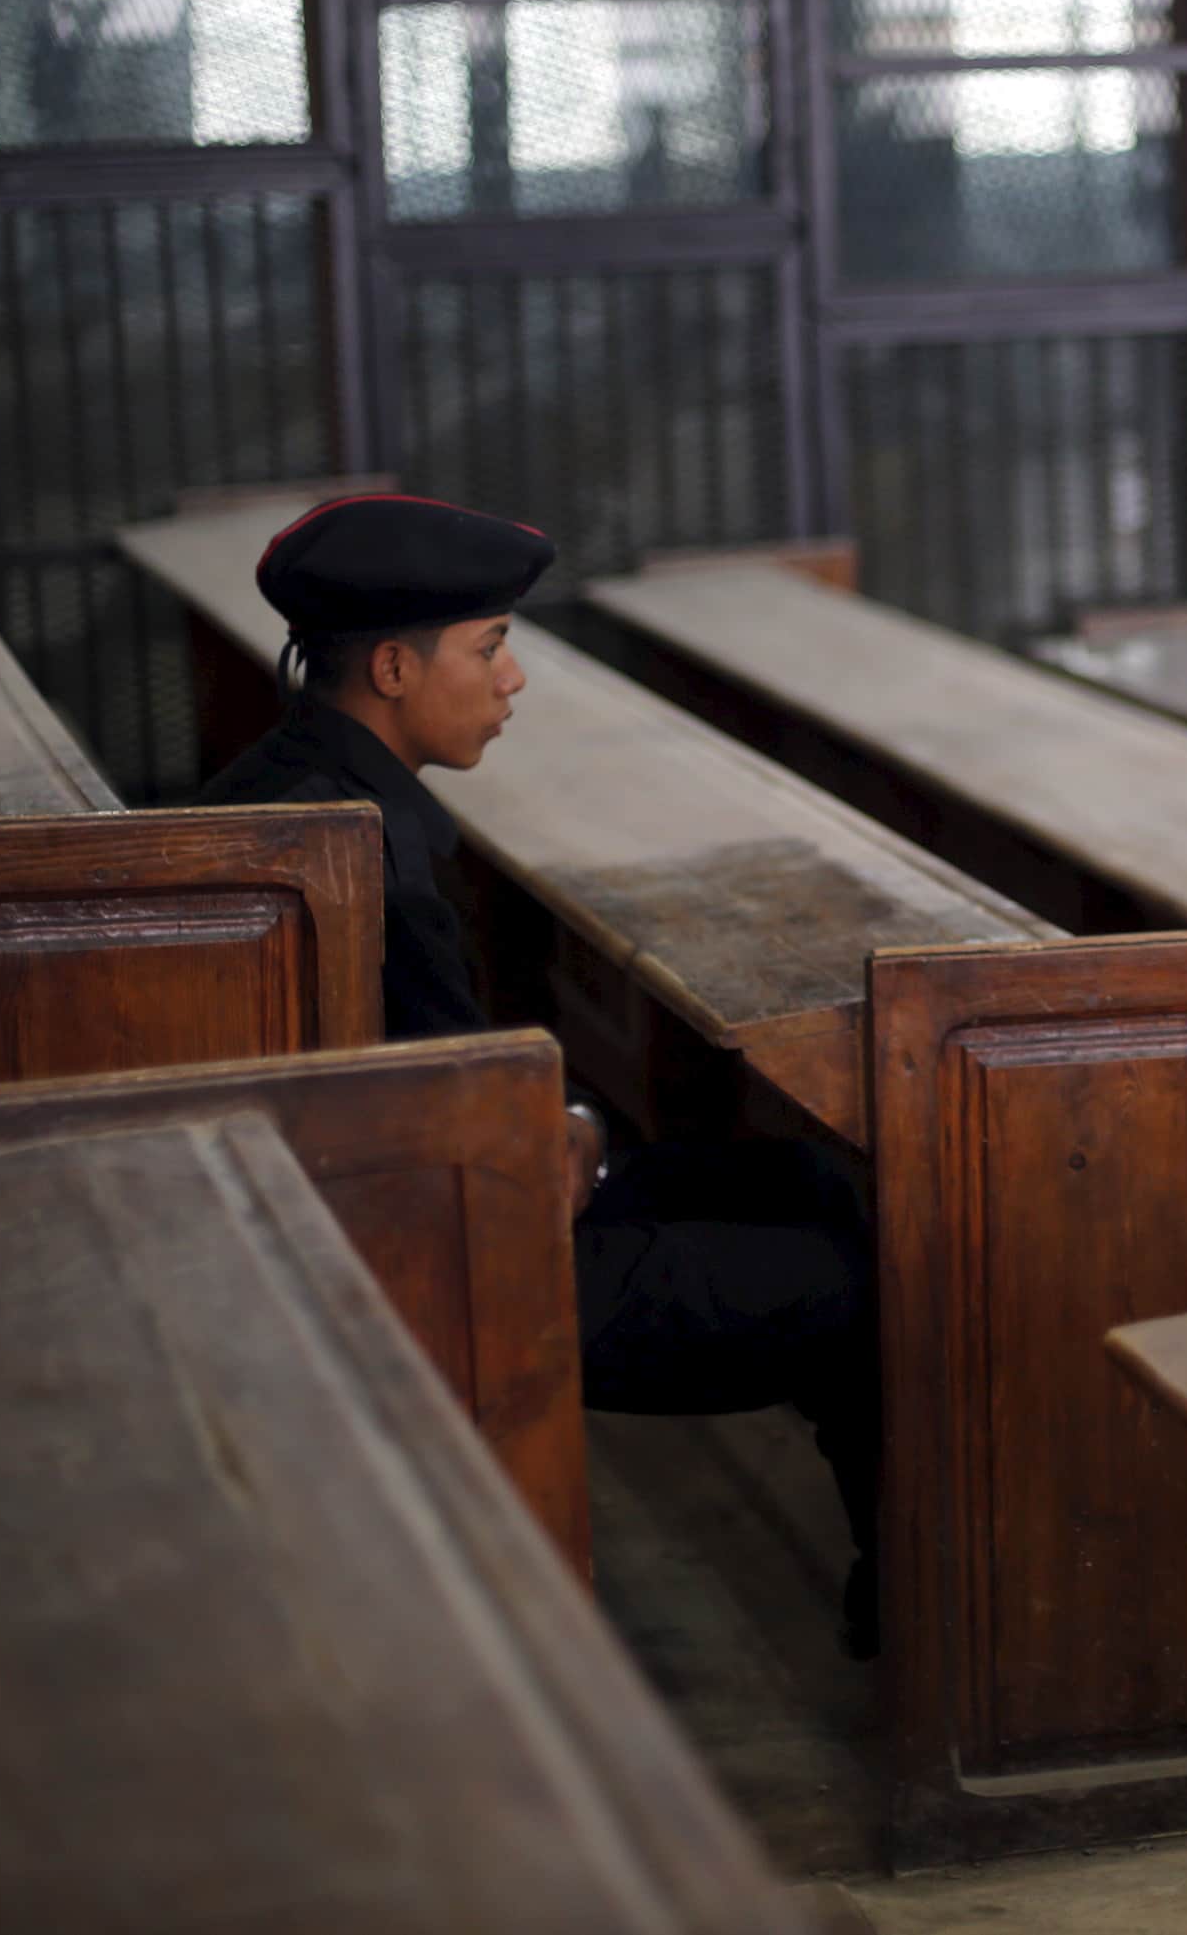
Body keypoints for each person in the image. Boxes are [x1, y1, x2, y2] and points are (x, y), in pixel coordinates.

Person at [195, 493, 879, 1652]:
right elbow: (457, 1120)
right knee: (863, 1287)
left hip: (387, 1194)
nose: (511, 681)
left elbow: (447, 1075)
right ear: (398, 670)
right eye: (492, 647)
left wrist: (568, 1120)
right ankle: (927, 1626)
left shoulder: (296, 779)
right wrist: (561, 1130)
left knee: (810, 1183)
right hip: (434, 1253)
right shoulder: (352, 844)